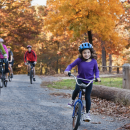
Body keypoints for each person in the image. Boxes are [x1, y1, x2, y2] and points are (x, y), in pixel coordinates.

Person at [64, 42, 101, 122]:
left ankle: (87, 113)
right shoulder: (79, 60)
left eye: (88, 52)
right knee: (77, 89)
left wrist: (97, 77)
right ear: (81, 53)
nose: (86, 54)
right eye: (84, 52)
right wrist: (67, 70)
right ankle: (72, 100)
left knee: (87, 97)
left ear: (91, 52)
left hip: (89, 81)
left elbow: (96, 71)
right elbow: (70, 65)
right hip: (80, 79)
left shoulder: (94, 61)